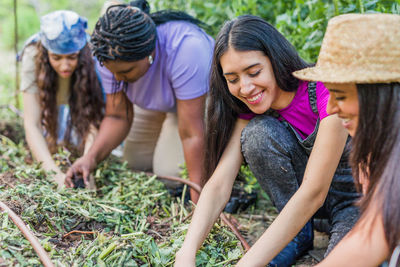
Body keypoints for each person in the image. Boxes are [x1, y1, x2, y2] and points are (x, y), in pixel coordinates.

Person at [175, 15, 361, 267]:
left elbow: (313, 192)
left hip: (354, 204)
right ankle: (297, 236)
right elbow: (219, 183)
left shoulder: (326, 93)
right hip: (307, 213)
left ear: (275, 60)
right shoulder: (251, 111)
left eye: (254, 72)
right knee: (257, 134)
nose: (246, 87)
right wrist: (186, 252)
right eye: (233, 79)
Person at [65, 0, 214, 202]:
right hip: (155, 102)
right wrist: (90, 158)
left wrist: (200, 196)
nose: (117, 79)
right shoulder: (108, 53)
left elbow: (191, 134)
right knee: (135, 164)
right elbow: (117, 116)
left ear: (150, 54)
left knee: (170, 173)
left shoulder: (187, 49)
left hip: (196, 103)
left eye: (125, 71)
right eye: (113, 72)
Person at [293, 13, 400, 267]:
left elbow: (367, 243)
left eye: (339, 95)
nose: (329, 107)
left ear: (377, 96)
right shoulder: (377, 154)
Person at [20, 10, 104, 188]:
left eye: (72, 57)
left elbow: (93, 120)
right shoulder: (32, 55)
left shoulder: (91, 55)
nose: (64, 66)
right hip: (47, 99)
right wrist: (54, 174)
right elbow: (32, 124)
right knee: (50, 140)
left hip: (78, 99)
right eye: (56, 58)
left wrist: (88, 163)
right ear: (46, 52)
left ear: (80, 53)